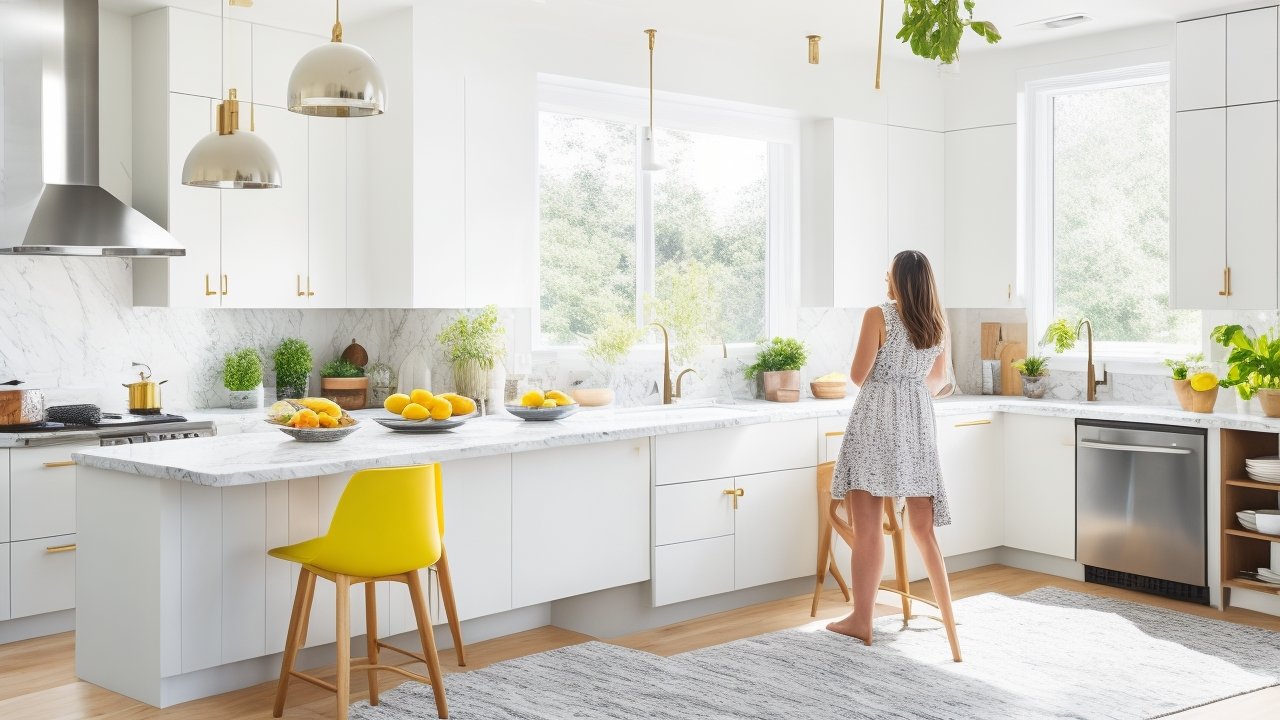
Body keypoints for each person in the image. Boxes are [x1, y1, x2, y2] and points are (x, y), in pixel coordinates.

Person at [826, 249, 956, 645]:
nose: (885, 283)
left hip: (875, 422)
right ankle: (951, 628)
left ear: (897, 280)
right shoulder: (938, 323)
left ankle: (861, 621)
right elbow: (937, 380)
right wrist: (910, 389)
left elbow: (857, 375)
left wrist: (890, 387)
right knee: (923, 529)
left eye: (888, 277)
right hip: (917, 424)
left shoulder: (878, 315)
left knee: (869, 532)